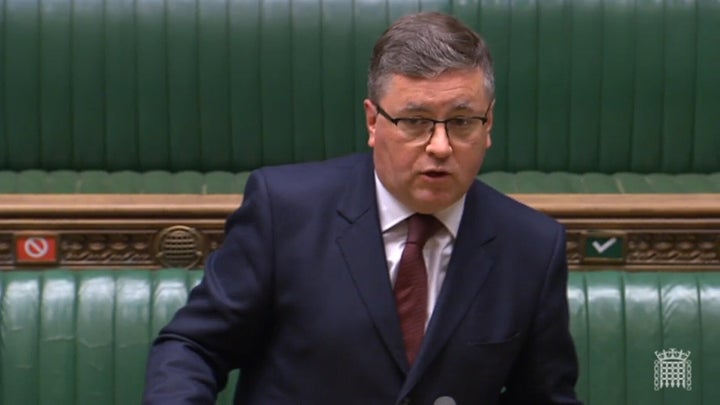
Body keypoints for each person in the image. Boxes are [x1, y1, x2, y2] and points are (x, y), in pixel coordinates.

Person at [144, 11, 580, 404]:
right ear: (373, 122)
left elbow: (543, 396)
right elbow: (194, 347)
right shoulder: (286, 212)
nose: (441, 146)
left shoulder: (531, 247)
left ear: (489, 125)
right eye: (415, 122)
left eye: (462, 122)